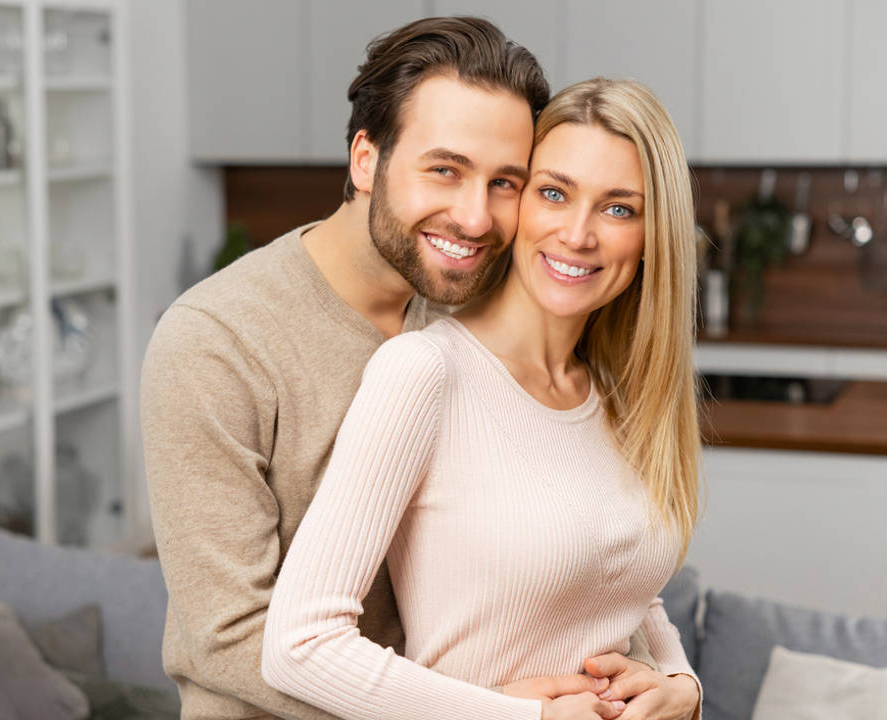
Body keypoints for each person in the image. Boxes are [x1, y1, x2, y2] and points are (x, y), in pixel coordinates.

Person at [142, 18, 660, 720]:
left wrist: (669, 679)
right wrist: (480, 711)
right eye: (444, 170)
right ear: (365, 158)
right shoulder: (216, 342)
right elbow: (228, 638)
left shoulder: (467, 316)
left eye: (504, 181)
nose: (475, 218)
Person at [262, 77, 703, 720]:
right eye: (554, 193)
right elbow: (299, 645)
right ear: (518, 202)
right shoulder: (426, 374)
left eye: (618, 208)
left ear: (651, 234)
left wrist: (681, 682)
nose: (578, 234)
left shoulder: (618, 396)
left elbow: (620, 575)